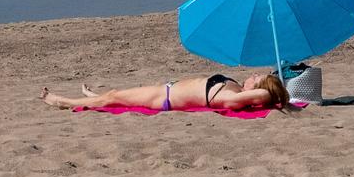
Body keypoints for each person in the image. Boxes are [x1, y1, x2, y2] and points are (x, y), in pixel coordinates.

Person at [42, 70, 292, 113]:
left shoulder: (233, 98)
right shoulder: (236, 89)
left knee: (114, 98)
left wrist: (272, 92)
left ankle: (62, 101)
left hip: (164, 98)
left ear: (259, 90)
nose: (253, 75)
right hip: (167, 89)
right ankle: (91, 97)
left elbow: (263, 97)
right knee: (116, 94)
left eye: (257, 78)